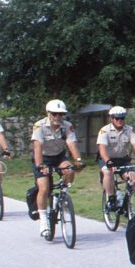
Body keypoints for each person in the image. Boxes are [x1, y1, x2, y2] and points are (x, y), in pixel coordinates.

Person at [31, 99, 83, 237]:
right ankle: (43, 220)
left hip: (59, 157)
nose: (57, 117)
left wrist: (78, 160)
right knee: (44, 188)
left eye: (60, 114)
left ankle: (63, 193)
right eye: (54, 114)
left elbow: (71, 143)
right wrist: (41, 165)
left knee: (70, 170)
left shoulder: (67, 126)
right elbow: (37, 146)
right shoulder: (39, 126)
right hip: (43, 158)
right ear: (48, 113)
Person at [97, 105, 135, 210]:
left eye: (122, 118)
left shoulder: (130, 130)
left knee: (132, 178)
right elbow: (102, 148)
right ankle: (111, 199)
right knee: (108, 172)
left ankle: (126, 203)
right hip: (107, 159)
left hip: (122, 159)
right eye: (117, 118)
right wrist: (108, 161)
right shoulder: (104, 131)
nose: (120, 120)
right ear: (111, 118)